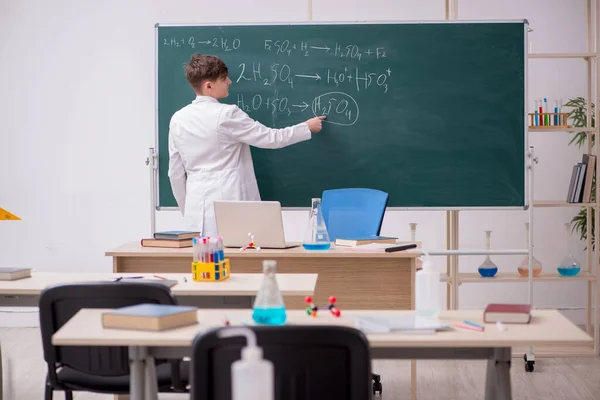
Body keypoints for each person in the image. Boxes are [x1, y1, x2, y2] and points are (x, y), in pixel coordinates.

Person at [168, 53, 326, 236]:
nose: (230, 81)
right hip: (230, 206)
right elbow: (271, 138)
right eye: (223, 79)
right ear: (208, 86)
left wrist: (187, 211)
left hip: (196, 211)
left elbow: (175, 173)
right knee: (235, 260)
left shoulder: (178, 119)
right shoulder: (227, 114)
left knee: (205, 263)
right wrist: (305, 127)